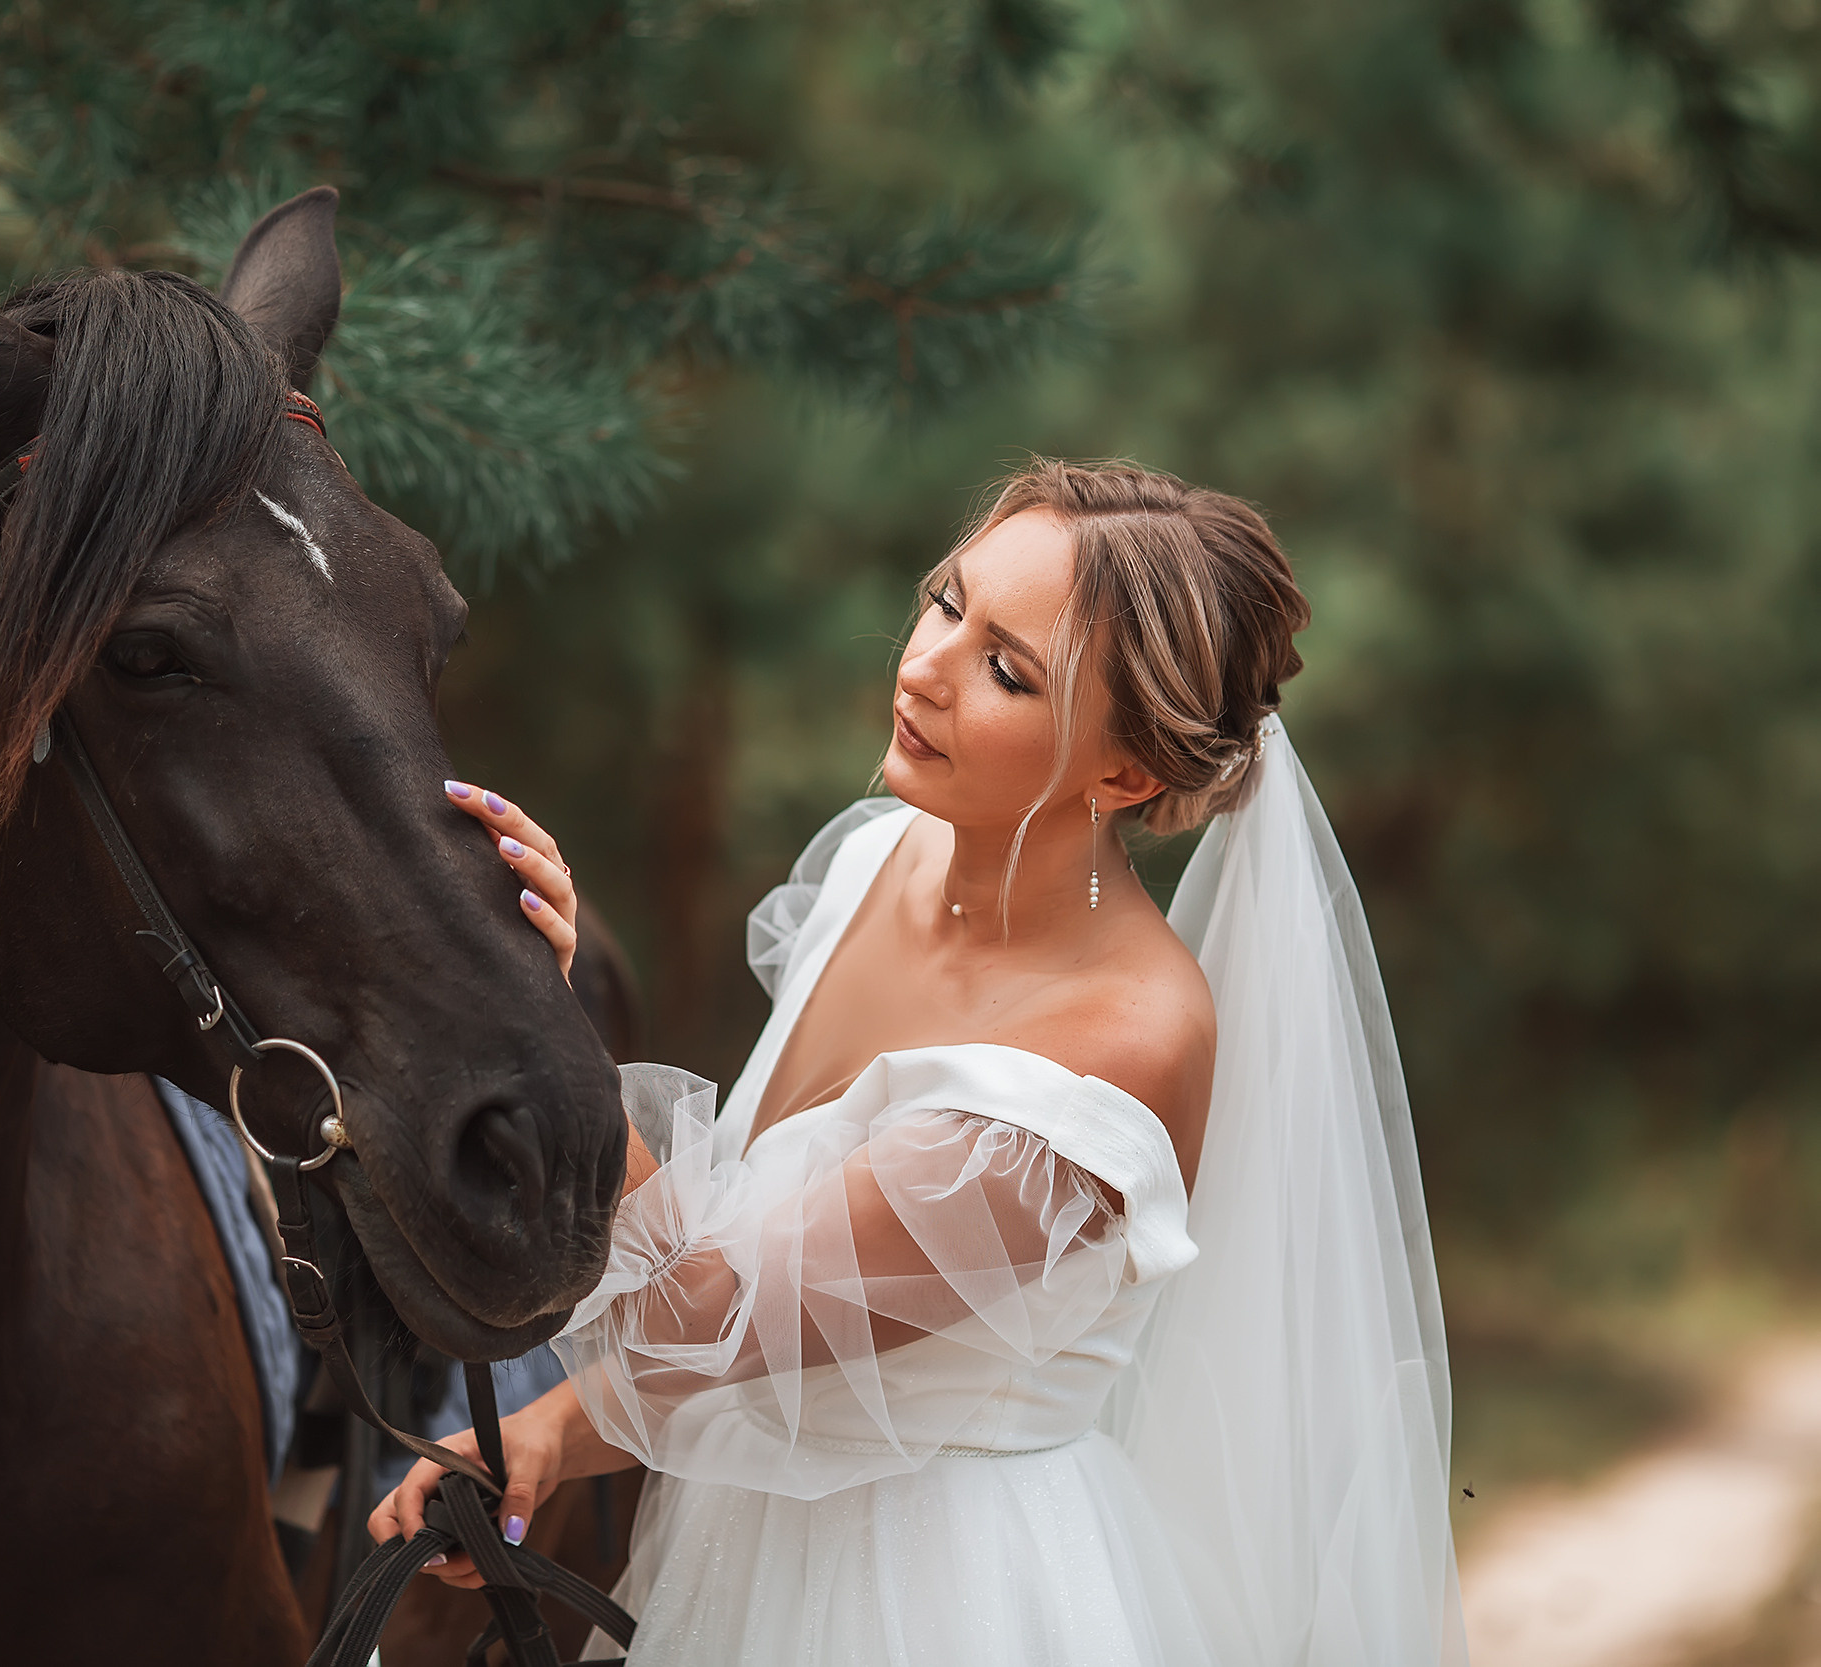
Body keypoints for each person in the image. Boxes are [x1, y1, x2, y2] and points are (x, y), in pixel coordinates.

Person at [385, 459, 1468, 1665]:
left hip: (944, 1601)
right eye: (947, 603)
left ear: (1124, 774)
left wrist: (540, 1009)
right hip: (737, 1558)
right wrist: (549, 1429)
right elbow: (807, 1332)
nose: (923, 667)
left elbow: (711, 1308)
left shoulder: (1109, 1050)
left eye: (1005, 668)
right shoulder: (885, 855)